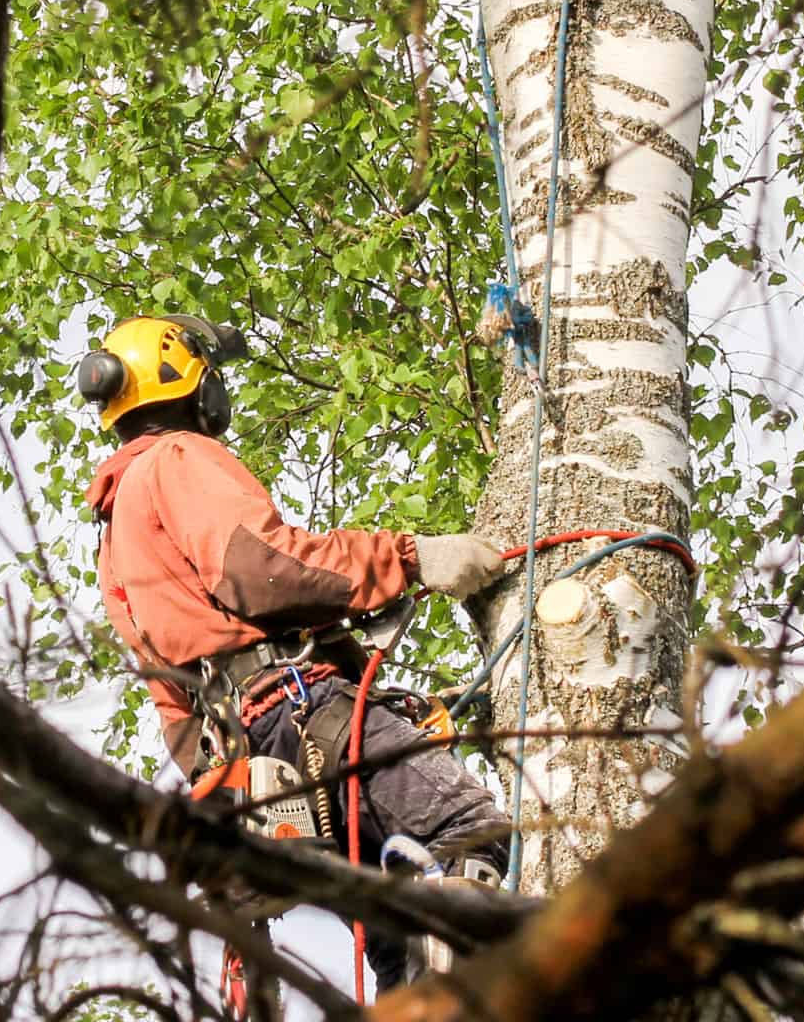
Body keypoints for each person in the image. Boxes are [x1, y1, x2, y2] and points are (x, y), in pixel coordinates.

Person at [77, 314, 511, 987]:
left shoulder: (116, 535)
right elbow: (263, 568)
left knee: (396, 928)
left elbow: (175, 708)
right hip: (300, 715)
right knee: (466, 831)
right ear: (186, 380)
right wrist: (411, 557)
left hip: (255, 757)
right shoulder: (178, 459)